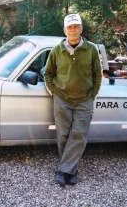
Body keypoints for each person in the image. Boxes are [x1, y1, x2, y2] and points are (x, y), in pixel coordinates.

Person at [44, 13, 102, 187]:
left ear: (81, 29)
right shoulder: (57, 50)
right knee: (63, 135)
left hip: (84, 100)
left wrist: (93, 94)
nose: (73, 30)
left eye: (76, 26)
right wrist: (54, 91)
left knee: (79, 135)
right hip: (62, 99)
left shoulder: (91, 49)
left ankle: (64, 171)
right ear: (65, 30)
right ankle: (71, 170)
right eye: (70, 27)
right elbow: (48, 73)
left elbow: (97, 74)